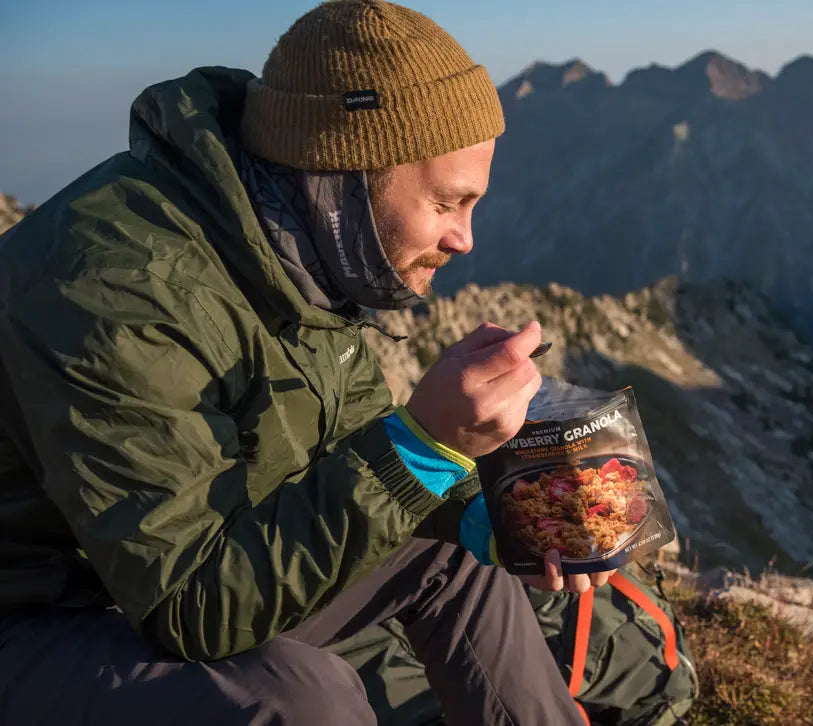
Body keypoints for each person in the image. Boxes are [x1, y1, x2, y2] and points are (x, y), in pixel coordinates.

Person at [0, 1, 613, 724]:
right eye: (449, 203)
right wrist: (421, 446)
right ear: (345, 172)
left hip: (161, 573)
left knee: (452, 557)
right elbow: (190, 607)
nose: (464, 240)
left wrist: (489, 510)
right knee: (296, 696)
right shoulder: (114, 293)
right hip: (40, 613)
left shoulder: (297, 252)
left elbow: (344, 445)